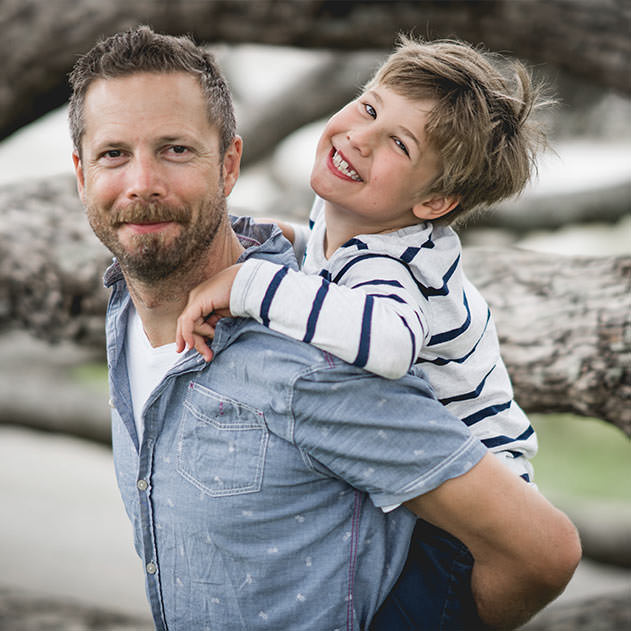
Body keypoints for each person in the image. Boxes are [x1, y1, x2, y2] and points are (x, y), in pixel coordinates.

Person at [69, 26, 580, 631]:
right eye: (113, 154)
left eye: (176, 149)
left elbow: (388, 341)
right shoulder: (133, 293)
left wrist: (248, 286)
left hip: (475, 503)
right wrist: (280, 238)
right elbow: (322, 251)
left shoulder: (359, 304)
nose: (142, 183)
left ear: (230, 163)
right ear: (80, 172)